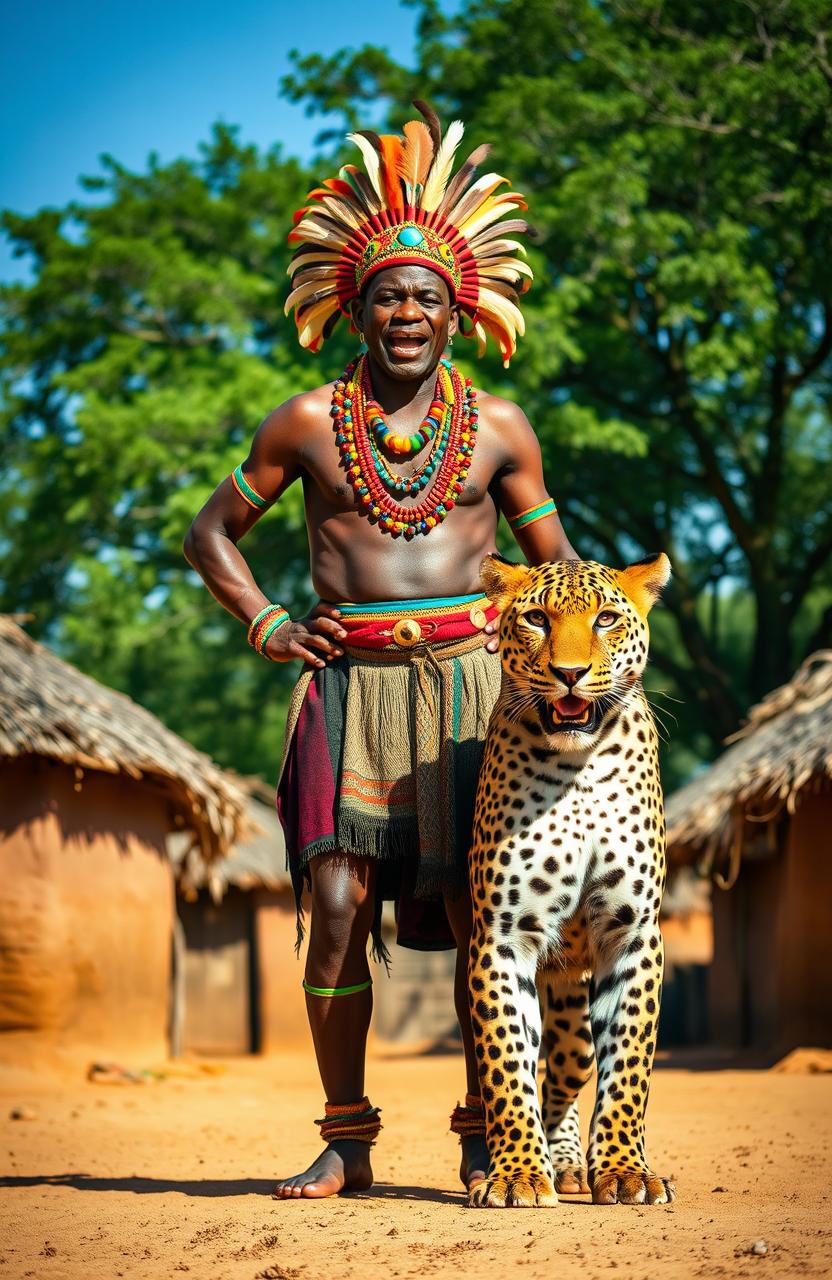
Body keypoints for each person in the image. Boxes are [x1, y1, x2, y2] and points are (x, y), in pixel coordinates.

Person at [184, 103, 577, 1200]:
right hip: (346, 685)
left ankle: (485, 1132)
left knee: (477, 913)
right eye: (388, 295)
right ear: (354, 307)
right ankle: (347, 1138)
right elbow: (208, 534)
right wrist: (267, 622)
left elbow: (559, 568)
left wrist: (575, 663)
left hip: (473, 688)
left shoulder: (499, 428)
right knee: (341, 907)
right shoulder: (305, 422)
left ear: (458, 313)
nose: (407, 312)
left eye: (426, 297)